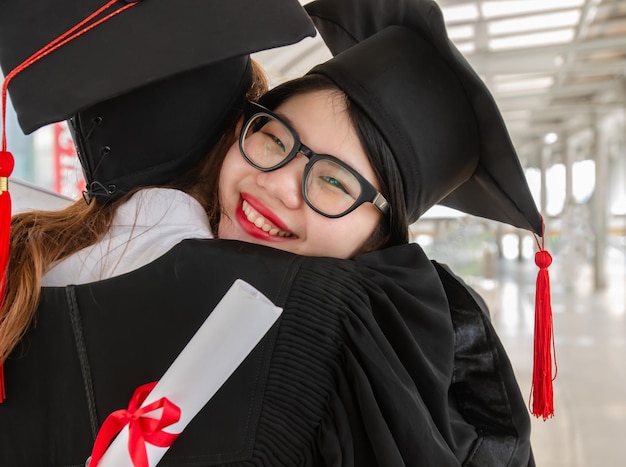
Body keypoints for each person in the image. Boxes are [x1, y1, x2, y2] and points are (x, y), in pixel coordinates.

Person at [0, 1, 539, 466]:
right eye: (276, 138)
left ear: (380, 243)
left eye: (333, 181)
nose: (279, 186)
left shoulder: (354, 351)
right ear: (243, 127)